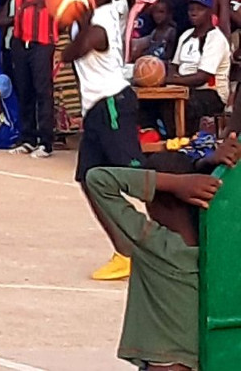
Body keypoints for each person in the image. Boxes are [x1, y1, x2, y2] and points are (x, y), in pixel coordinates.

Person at [85, 152, 229, 371]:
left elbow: (98, 179)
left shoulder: (153, 244)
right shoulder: (218, 249)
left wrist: (173, 183)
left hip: (164, 365)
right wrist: (205, 166)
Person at [62, 0, 144, 282]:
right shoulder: (95, 11)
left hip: (113, 105)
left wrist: (80, 23)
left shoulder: (101, 22)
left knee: (137, 177)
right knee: (88, 179)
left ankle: (183, 233)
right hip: (97, 109)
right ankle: (124, 252)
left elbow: (72, 53)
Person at [2, 0, 59, 159]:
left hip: (43, 40)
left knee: (42, 91)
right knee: (24, 89)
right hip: (19, 37)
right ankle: (27, 138)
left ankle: (45, 142)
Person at [167, 0, 230, 124]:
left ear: (210, 12)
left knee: (187, 104)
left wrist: (172, 81)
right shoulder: (186, 35)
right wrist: (172, 81)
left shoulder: (215, 38)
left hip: (210, 93)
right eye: (191, 10)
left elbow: (202, 77)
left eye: (200, 9)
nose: (194, 13)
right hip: (183, 87)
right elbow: (174, 65)